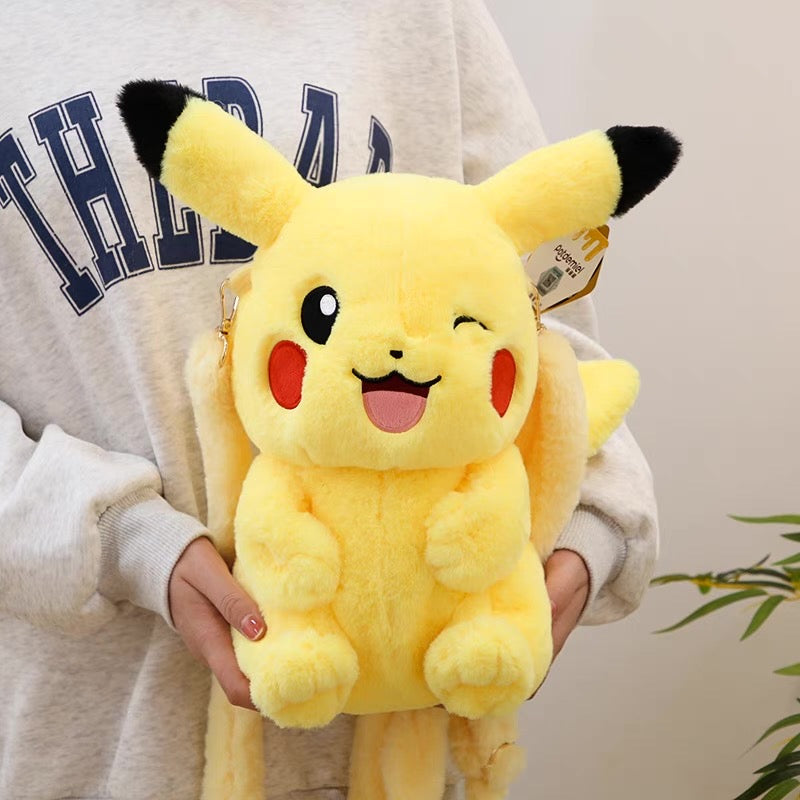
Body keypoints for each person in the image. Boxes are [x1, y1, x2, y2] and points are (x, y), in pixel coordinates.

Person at [0, 1, 657, 798]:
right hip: (89, 738)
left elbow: (543, 333)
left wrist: (585, 535)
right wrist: (123, 537)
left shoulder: (420, 16)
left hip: (391, 748)